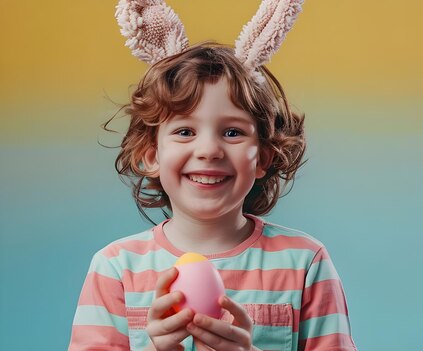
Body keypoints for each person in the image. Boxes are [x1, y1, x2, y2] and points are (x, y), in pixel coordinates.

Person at [68, 2, 358, 348]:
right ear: (151, 155)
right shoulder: (115, 268)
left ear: (264, 156)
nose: (209, 150)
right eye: (185, 132)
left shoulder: (305, 262)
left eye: (233, 132)